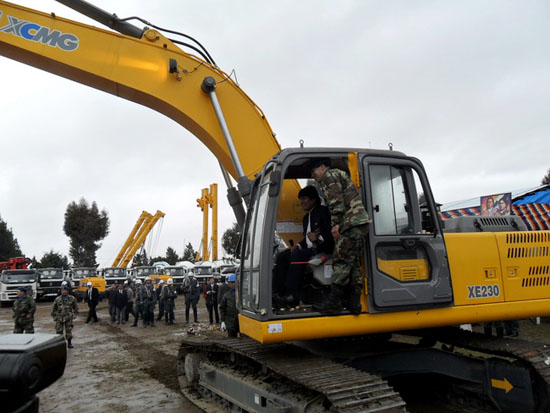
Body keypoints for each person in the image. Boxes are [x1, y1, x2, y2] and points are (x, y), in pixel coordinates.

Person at [310, 159, 370, 315]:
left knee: (341, 260)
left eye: (314, 171)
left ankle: (333, 303)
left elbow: (336, 201)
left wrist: (335, 224)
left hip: (350, 223)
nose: (313, 175)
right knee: (354, 262)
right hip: (359, 223)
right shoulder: (338, 174)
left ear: (322, 167)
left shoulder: (329, 176)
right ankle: (354, 303)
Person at [273, 186, 333, 307]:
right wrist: (297, 246)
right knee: (282, 256)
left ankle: (293, 295)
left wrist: (319, 237)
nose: (302, 202)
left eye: (304, 198)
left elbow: (331, 231)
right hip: (309, 250)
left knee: (297, 256)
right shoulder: (306, 218)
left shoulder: (323, 211)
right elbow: (307, 239)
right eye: (301, 199)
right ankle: (279, 292)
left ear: (313, 199)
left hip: (322, 249)